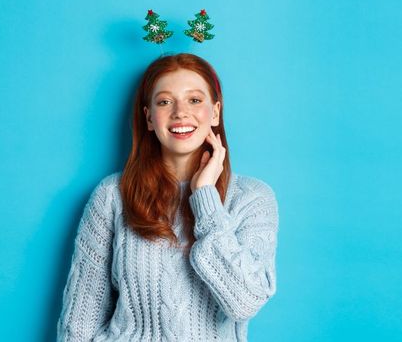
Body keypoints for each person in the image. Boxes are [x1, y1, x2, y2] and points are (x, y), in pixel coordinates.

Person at [56, 53, 279, 341]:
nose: (180, 113)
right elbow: (80, 321)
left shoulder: (252, 199)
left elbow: (245, 301)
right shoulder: (112, 196)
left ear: (215, 112)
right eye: (164, 101)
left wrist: (205, 198)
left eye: (195, 100)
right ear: (149, 117)